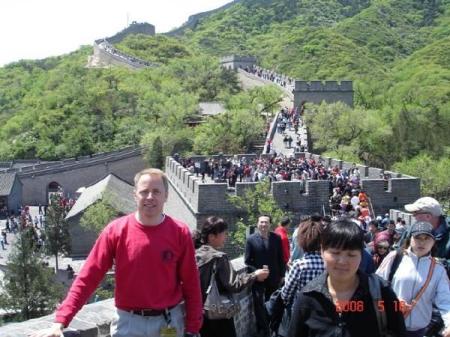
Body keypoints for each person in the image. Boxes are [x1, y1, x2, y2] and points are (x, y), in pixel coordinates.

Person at [30, 168, 202, 337]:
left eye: (156, 191)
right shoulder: (116, 231)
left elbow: (191, 284)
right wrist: (60, 321)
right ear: (135, 195)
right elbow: (88, 277)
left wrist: (193, 329)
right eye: (144, 192)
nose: (150, 197)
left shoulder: (179, 232)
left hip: (168, 322)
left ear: (166, 196)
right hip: (129, 323)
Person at [287, 218, 406, 337]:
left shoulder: (381, 292)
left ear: (362, 255)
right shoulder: (308, 297)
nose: (342, 261)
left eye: (351, 255)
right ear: (322, 251)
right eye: (335, 253)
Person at [194, 216, 269, 337]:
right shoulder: (218, 258)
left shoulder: (195, 254)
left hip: (199, 315)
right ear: (212, 237)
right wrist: (255, 275)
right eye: (223, 233)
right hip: (218, 314)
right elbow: (235, 284)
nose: (226, 237)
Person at [376, 221, 450, 337]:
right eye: (418, 237)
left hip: (419, 330)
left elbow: (445, 300)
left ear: (433, 242)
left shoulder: (438, 269)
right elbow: (376, 286)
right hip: (391, 325)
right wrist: (392, 301)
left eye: (427, 238)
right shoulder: (395, 257)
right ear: (410, 238)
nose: (422, 242)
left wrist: (449, 323)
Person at [245, 215, 285, 337]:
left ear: (270, 225)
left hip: (274, 277)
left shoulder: (276, 238)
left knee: (272, 302)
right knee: (258, 303)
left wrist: (282, 275)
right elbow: (247, 261)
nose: (263, 225)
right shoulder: (251, 239)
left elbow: (280, 258)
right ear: (257, 224)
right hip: (258, 278)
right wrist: (256, 273)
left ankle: (271, 327)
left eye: (266, 222)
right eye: (261, 222)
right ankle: (263, 329)